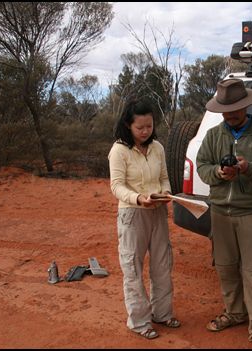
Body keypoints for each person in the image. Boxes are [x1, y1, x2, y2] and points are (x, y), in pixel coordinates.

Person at [196, 79, 252, 349]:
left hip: (251, 212)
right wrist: (219, 174)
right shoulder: (213, 135)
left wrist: (248, 168)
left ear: (246, 105)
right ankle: (235, 313)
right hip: (220, 213)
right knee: (225, 268)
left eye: (235, 108)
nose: (230, 114)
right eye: (226, 109)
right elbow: (202, 166)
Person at [108, 100, 179, 340]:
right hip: (133, 213)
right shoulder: (119, 150)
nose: (146, 131)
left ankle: (162, 313)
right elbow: (116, 186)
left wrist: (165, 194)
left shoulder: (157, 147)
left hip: (157, 210)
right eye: (140, 127)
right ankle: (139, 322)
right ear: (128, 125)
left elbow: (164, 177)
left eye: (149, 125)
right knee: (133, 268)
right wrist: (138, 198)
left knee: (162, 264)